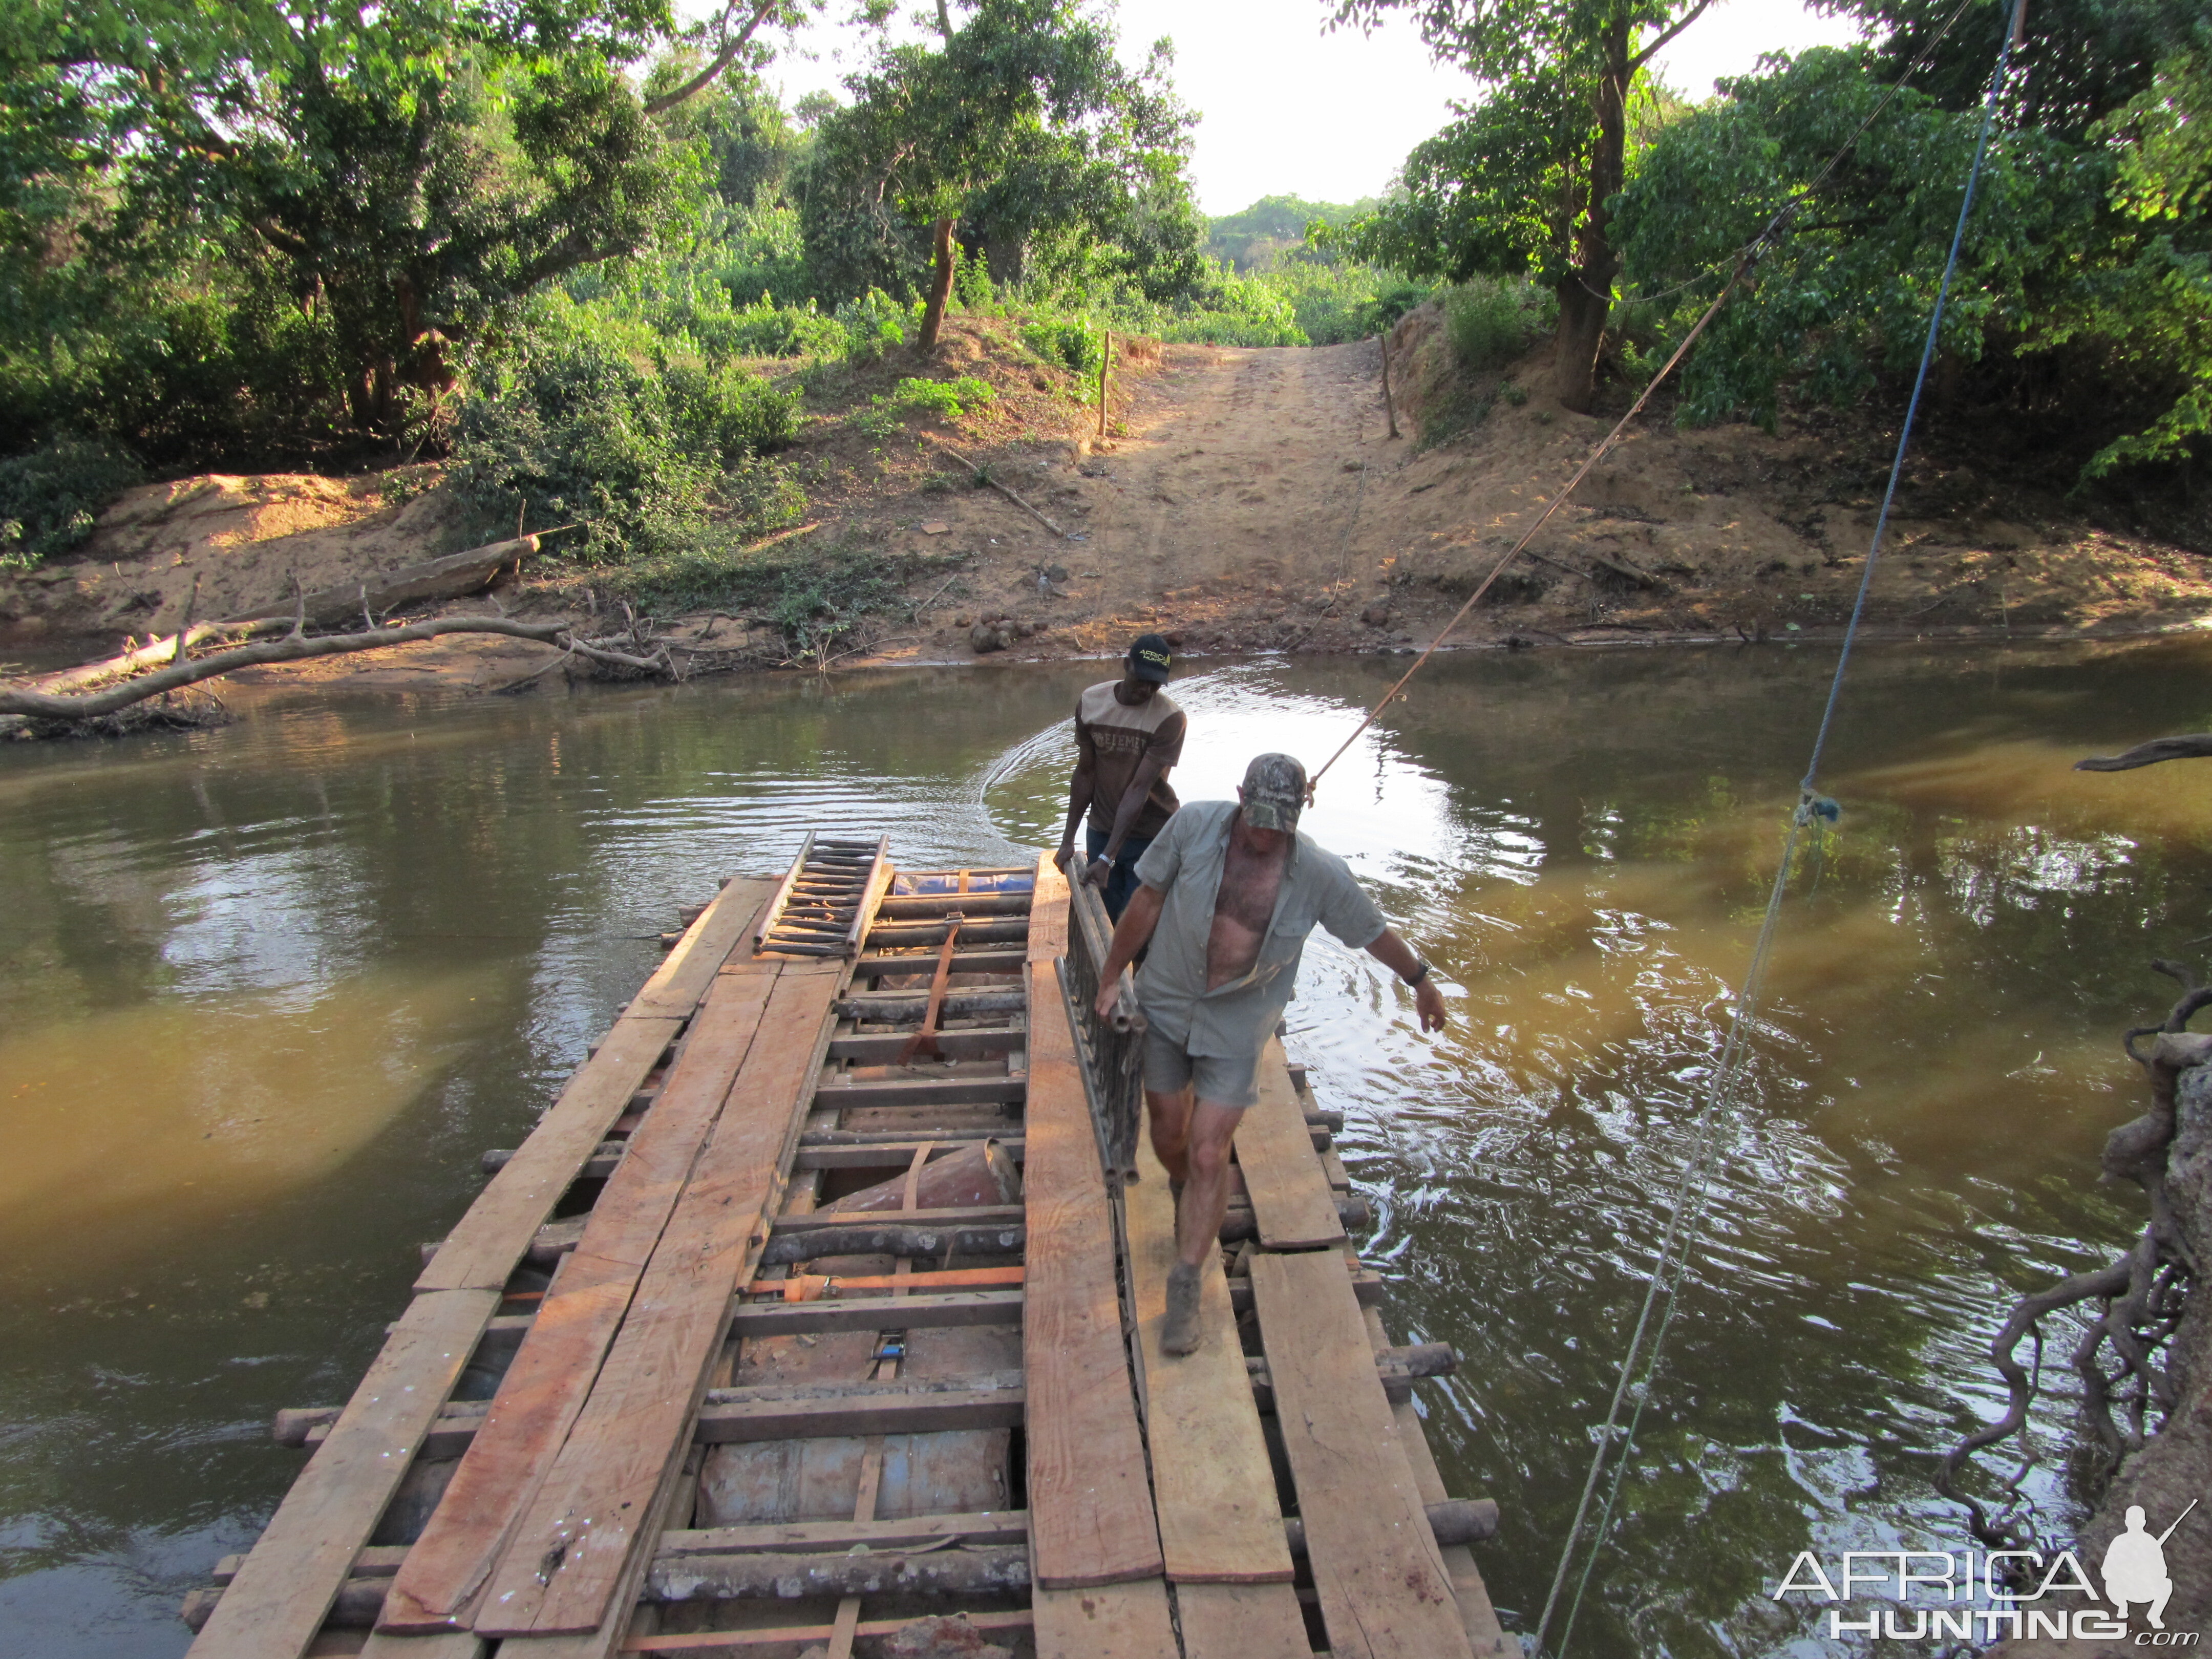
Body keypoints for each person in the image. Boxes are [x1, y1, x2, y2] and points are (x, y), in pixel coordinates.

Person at [1091, 752, 1448, 1356]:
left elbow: (1371, 932)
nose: (1265, 834)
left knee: (1210, 1153)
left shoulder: (1319, 874)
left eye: (1279, 822)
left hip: (1239, 1023)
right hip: (1168, 1000)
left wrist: (1420, 979)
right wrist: (1110, 976)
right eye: (1257, 818)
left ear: (1302, 809)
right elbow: (1148, 900)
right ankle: (1188, 1191)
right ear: (1239, 796)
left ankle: (1186, 1282)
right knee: (1169, 1135)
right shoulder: (1194, 826)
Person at [1053, 633, 1184, 920]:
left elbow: (1139, 788)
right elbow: (1085, 773)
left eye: (1156, 683)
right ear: (1127, 665)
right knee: (1104, 917)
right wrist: (1068, 840)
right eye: (1143, 679)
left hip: (1151, 837)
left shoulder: (1170, 718)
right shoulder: (1091, 702)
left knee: (1138, 926)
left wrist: (1106, 859)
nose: (1147, 690)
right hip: (1102, 829)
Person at [2103, 1505, 2176, 1628]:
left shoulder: (2151, 1542)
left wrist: (2148, 1568)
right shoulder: (2119, 1542)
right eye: (2132, 1520)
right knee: (2110, 1583)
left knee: (2167, 1584)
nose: (2135, 1523)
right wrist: (2124, 1571)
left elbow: (2163, 1571)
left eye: (2138, 1520)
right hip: (2124, 1589)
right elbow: (2106, 1571)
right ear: (2126, 1522)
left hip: (2145, 1588)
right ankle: (2122, 1607)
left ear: (2144, 1522)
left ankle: (2154, 1615)